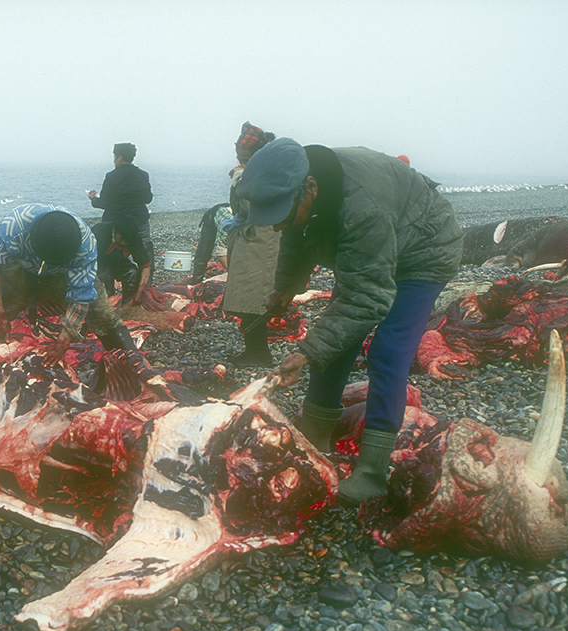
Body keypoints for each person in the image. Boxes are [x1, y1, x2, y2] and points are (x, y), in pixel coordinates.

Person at [234, 138, 462, 506]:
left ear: (310, 188)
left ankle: (372, 470)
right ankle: (314, 436)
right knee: (338, 342)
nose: (278, 228)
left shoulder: (361, 209)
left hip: (422, 253)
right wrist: (286, 287)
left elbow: (368, 298)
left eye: (284, 215)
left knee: (389, 352)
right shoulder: (300, 186)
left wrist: (305, 352)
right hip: (370, 252)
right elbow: (294, 235)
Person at [0, 203, 140, 393]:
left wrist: (62, 343)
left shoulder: (85, 245)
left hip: (62, 275)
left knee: (103, 315)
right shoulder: (15, 227)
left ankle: (134, 378)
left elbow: (81, 296)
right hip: (18, 270)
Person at [223, 122, 282, 366]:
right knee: (249, 297)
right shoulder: (263, 168)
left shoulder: (261, 173)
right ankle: (255, 350)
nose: (240, 157)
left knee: (254, 299)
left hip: (260, 241)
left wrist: (239, 179)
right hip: (253, 239)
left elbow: (249, 205)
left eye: (243, 154)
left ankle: (258, 353)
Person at [88, 142, 154, 274]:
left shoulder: (112, 176)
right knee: (144, 251)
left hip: (115, 224)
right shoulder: (143, 175)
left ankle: (109, 289)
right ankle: (146, 284)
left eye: (115, 157)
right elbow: (148, 199)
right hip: (139, 220)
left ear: (120, 157)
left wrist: (93, 199)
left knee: (109, 256)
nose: (114, 160)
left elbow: (104, 202)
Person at [92, 216, 151, 302]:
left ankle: (127, 304)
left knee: (133, 273)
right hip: (97, 262)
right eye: (121, 238)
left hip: (119, 262)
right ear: (115, 230)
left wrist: (141, 288)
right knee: (101, 288)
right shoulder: (100, 232)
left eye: (126, 241)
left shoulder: (135, 239)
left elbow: (145, 265)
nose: (123, 243)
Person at [189, 202, 233, 282]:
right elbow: (220, 254)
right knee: (203, 252)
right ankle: (196, 282)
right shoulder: (227, 228)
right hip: (212, 218)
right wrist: (234, 274)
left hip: (230, 216)